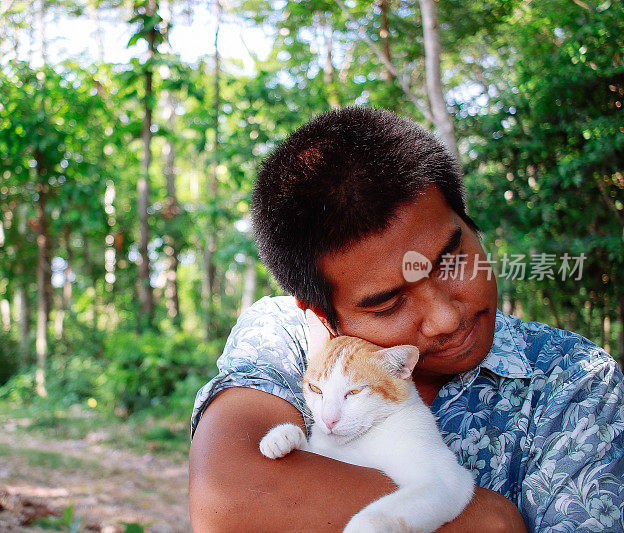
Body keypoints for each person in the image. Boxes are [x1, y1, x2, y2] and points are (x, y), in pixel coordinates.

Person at [188, 107, 624, 532]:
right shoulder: (283, 334)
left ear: (470, 223)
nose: (445, 317)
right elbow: (227, 501)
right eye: (387, 304)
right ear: (323, 314)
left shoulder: (574, 379)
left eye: (451, 260)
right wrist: (490, 519)